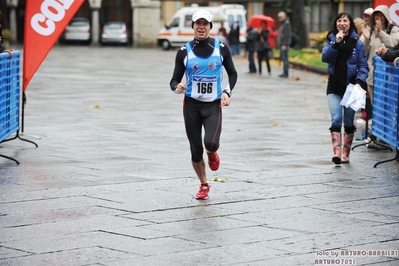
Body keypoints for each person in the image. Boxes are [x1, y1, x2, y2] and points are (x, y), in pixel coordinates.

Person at [169, 10, 238, 200]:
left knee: (211, 143)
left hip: (212, 105)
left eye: (205, 23)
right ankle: (204, 184)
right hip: (191, 106)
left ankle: (213, 153)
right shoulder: (184, 52)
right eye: (197, 23)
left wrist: (226, 92)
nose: (201, 27)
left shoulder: (221, 48)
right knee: (195, 149)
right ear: (192, 26)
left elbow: (233, 74)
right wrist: (178, 87)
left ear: (210, 27)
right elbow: (173, 80)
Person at [322, 11, 369, 164]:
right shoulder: (331, 40)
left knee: (348, 122)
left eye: (345, 21)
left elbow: (363, 66)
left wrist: (359, 82)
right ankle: (336, 153)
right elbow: (325, 58)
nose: (342, 23)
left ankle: (345, 154)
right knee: (336, 119)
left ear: (350, 25)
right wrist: (336, 43)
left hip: (351, 87)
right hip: (334, 85)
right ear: (336, 24)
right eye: (339, 21)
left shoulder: (358, 44)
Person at [360, 5, 399, 104]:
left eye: (381, 15)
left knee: (387, 105)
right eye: (376, 15)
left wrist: (381, 32)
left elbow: (394, 44)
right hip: (372, 75)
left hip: (389, 75)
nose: (378, 18)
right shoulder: (371, 31)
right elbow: (364, 52)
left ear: (386, 16)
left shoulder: (393, 29)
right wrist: (367, 39)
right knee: (376, 106)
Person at [277, 11, 292, 78]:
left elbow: (287, 35)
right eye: (279, 17)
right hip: (282, 43)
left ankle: (286, 73)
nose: (280, 18)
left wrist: (285, 44)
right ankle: (284, 72)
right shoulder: (282, 24)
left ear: (284, 17)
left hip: (284, 44)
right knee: (283, 58)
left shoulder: (286, 24)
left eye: (281, 17)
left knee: (285, 59)